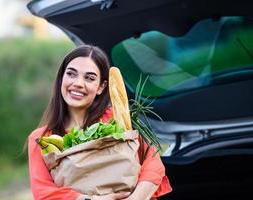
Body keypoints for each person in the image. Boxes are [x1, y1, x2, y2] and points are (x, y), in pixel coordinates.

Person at [28, 44, 172, 200]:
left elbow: (153, 165)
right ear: (62, 77)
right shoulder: (42, 138)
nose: (78, 83)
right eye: (71, 74)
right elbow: (44, 193)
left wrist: (135, 198)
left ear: (101, 87)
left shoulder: (118, 118)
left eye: (89, 78)